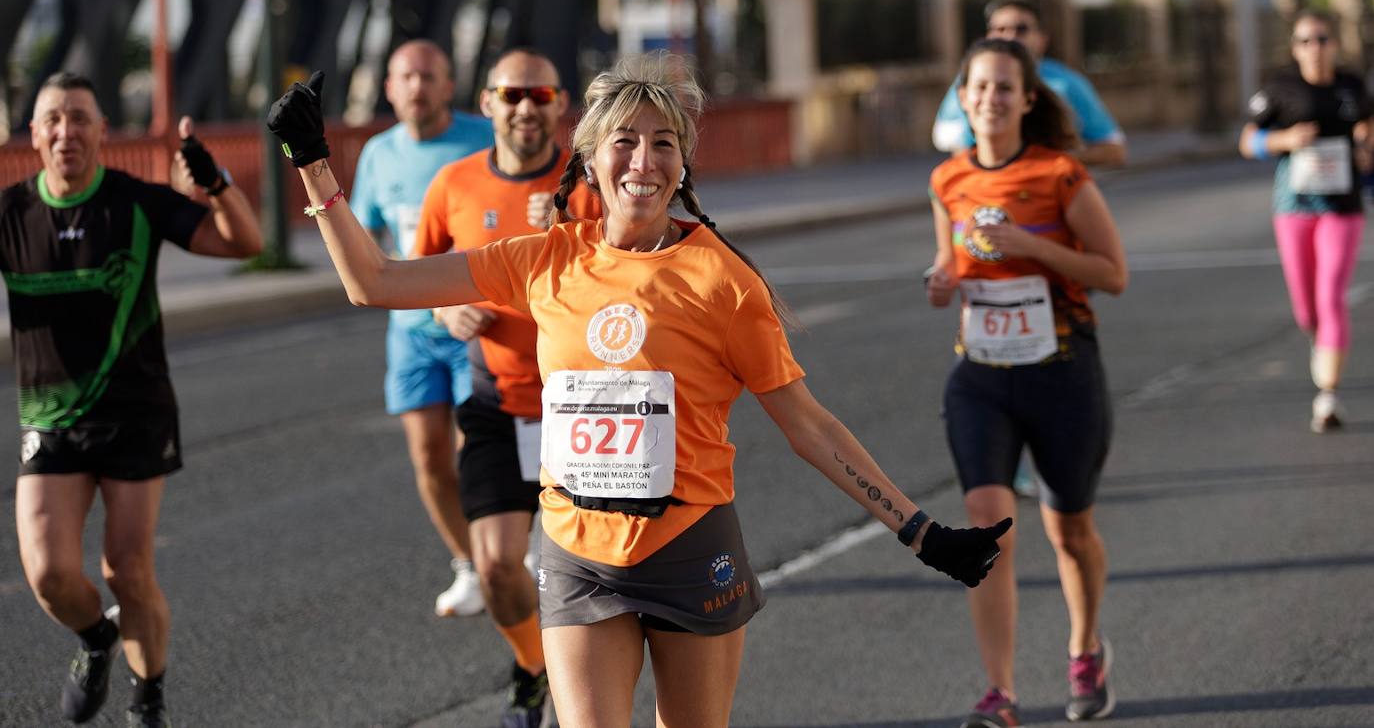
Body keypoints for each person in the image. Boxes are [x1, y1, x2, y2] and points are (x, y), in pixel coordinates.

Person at [266, 53, 1011, 728]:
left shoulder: (723, 281)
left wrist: (921, 532)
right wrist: (313, 164)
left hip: (688, 548)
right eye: (625, 141)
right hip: (576, 552)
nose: (644, 161)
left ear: (682, 165)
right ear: (590, 159)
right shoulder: (546, 258)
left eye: (664, 144)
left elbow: (808, 426)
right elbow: (375, 282)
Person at [4, 73, 263, 727]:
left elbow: (245, 242)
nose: (66, 131)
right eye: (53, 119)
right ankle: (97, 638)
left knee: (127, 569)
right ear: (33, 134)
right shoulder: (10, 213)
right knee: (49, 574)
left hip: (135, 412)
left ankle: (147, 700)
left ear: (102, 131)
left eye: (79, 118)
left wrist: (216, 182)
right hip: (52, 417)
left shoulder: (137, 202)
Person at [924, 38, 1128, 727]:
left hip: (1061, 370)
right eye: (978, 86)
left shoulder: (1061, 174)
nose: (990, 98)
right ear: (963, 97)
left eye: (1004, 87)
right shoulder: (947, 179)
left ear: (1028, 98)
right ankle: (1000, 693)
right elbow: (951, 263)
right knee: (987, 526)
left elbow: (1113, 273)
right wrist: (942, 281)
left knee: (1070, 530)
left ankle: (1086, 648)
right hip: (981, 374)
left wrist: (1032, 246)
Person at [412, 47, 598, 727]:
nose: (525, 108)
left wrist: (573, 235)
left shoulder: (587, 186)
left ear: (560, 104)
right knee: (494, 566)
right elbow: (420, 271)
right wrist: (445, 309)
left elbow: (633, 275)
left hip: (581, 408)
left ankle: (589, 696)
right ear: (487, 103)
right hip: (496, 402)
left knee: (589, 576)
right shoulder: (453, 184)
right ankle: (532, 666)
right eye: (512, 94)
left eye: (539, 95)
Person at [349, 39, 493, 616]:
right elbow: (364, 232)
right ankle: (469, 564)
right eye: (406, 77)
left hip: (476, 327)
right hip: (411, 331)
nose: (417, 87)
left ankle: (510, 550)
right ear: (389, 88)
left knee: (478, 454)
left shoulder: (484, 139)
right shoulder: (379, 153)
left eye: (428, 76)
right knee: (430, 461)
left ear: (448, 85)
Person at [1239, 9, 1374, 432]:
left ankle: (1327, 394)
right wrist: (1284, 138)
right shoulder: (1280, 88)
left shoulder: (1351, 85)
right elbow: (1247, 141)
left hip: (1342, 204)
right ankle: (1319, 340)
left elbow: (1367, 124)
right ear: (1295, 48)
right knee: (1306, 308)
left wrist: (1364, 146)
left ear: (1334, 43)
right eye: (1305, 41)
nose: (1314, 48)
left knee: (1331, 295)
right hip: (1294, 205)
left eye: (1321, 39)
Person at [932, 0, 1128, 169]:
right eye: (1000, 29)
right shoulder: (971, 79)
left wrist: (1045, 164)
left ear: (1029, 98)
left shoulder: (1066, 84)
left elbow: (1114, 149)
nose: (1010, 37)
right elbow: (951, 141)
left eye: (1021, 29)